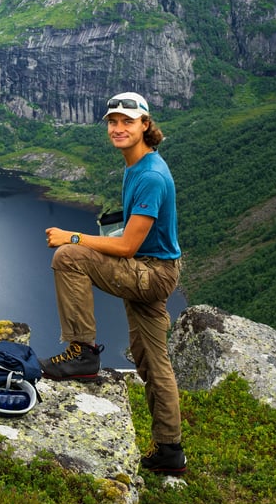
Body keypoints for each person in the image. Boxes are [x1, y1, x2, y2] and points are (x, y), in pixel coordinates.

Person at [41, 91, 186, 475]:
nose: (118, 128)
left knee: (68, 257)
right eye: (112, 121)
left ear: (145, 125)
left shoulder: (151, 175)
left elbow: (126, 246)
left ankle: (82, 353)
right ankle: (170, 452)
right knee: (152, 361)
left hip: (151, 272)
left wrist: (73, 237)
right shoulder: (136, 166)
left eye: (127, 121)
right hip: (152, 268)